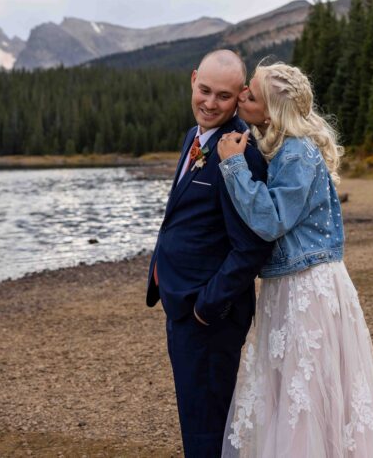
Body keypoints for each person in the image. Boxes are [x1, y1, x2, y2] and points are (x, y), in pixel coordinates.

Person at [215, 62, 373, 457]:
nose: (241, 95)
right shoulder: (282, 145)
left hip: (307, 288)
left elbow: (272, 219)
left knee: (308, 390)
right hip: (291, 283)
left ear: (271, 111)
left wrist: (232, 166)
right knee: (297, 388)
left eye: (251, 94)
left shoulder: (297, 154)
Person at [145, 49, 274, 458]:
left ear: (240, 97)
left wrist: (206, 307)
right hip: (181, 301)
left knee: (207, 431)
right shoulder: (194, 136)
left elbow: (252, 244)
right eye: (204, 90)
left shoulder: (239, 151)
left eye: (223, 96)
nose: (210, 103)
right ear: (193, 79)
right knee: (197, 419)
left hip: (209, 316)